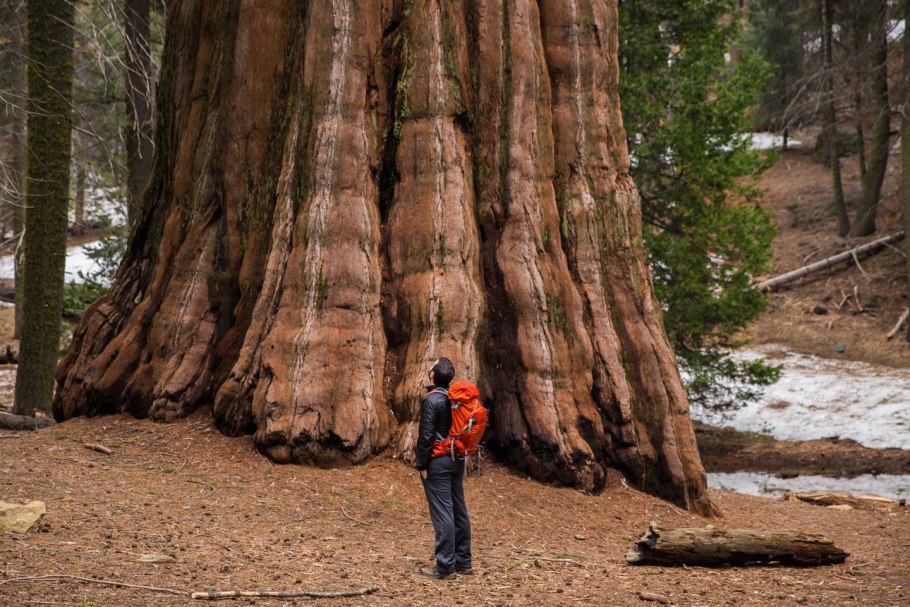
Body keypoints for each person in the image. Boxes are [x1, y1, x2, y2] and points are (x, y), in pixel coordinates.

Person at [414, 357, 473, 580]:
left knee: (443, 512)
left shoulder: (432, 400)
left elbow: (426, 436)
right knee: (459, 509)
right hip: (457, 459)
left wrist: (421, 464)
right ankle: (463, 562)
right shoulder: (454, 400)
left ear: (432, 375)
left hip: (438, 460)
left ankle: (445, 566)